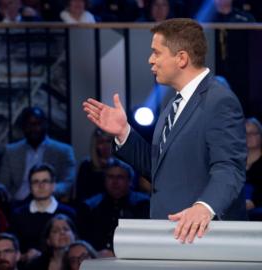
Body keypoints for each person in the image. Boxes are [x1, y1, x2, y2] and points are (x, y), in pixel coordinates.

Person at [83, 18, 247, 244]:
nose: (151, 60)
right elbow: (161, 170)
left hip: (203, 237)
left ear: (181, 58)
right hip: (172, 235)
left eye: (156, 53)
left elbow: (230, 169)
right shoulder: (174, 104)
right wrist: (124, 133)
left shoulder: (219, 101)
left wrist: (204, 207)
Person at [0, 107, 76, 203]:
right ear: (23, 128)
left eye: (37, 124)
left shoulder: (64, 151)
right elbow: (1, 182)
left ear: (45, 125)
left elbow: (68, 182)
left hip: (49, 201)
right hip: (17, 203)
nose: (34, 128)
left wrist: (47, 190)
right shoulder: (11, 151)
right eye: (29, 125)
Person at [78, 159, 149, 256]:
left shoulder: (143, 204)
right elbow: (84, 239)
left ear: (130, 181)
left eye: (120, 177)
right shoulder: (90, 206)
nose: (115, 182)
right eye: (110, 177)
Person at [10, 164, 76, 261]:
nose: (40, 186)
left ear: (53, 186)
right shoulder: (18, 215)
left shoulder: (69, 213)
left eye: (45, 181)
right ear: (30, 187)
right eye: (36, 182)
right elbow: (11, 248)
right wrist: (24, 257)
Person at [245, 117, 262, 220]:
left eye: (253, 133)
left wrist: (254, 202)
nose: (248, 136)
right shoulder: (233, 163)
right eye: (245, 133)